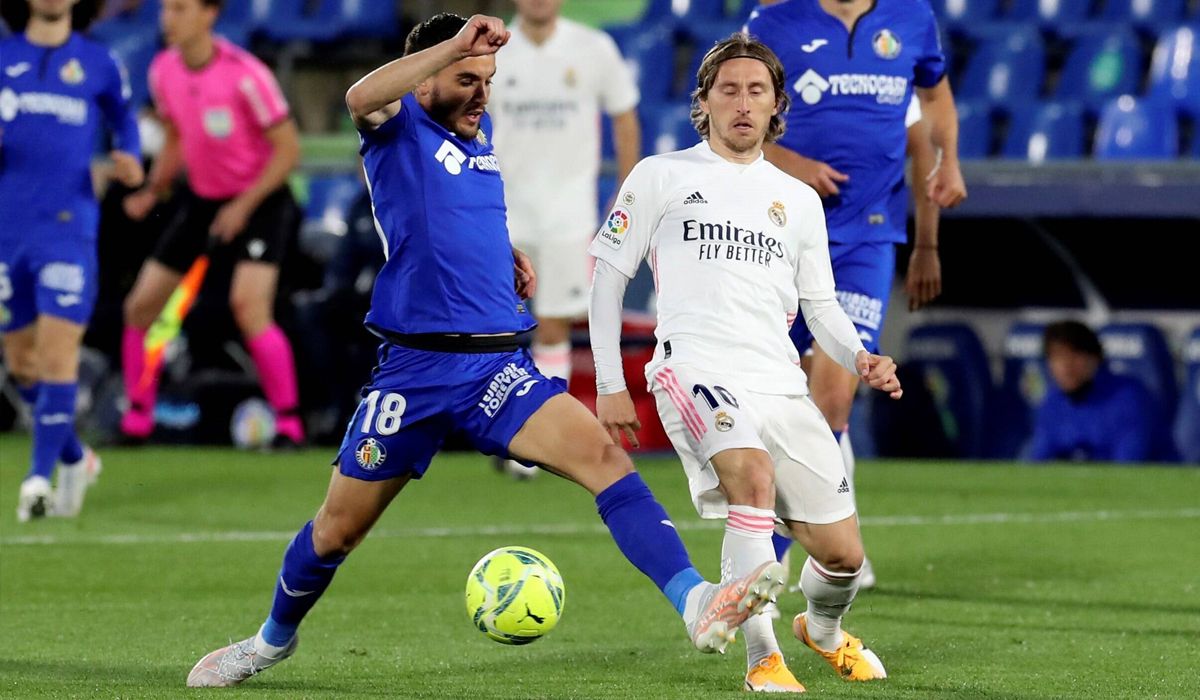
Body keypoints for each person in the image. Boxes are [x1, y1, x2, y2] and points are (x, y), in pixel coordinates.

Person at [185, 14, 786, 688]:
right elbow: (360, 98)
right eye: (466, 79)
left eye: (488, 81)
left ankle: (695, 601)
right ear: (426, 76)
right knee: (336, 532)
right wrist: (451, 48)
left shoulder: (480, 134)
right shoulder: (397, 127)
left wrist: (505, 255)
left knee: (604, 457)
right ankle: (269, 642)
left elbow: (456, 211)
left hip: (496, 366)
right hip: (413, 373)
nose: (481, 94)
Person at [590, 34, 902, 693]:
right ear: (702, 103)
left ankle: (819, 630)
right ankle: (762, 659)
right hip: (694, 367)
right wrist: (612, 384)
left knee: (843, 557)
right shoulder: (660, 174)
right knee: (751, 480)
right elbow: (606, 280)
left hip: (781, 382)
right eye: (727, 90)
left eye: (755, 91)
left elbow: (821, 308)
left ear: (775, 107)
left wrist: (860, 356)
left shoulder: (799, 200)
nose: (742, 103)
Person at [746, 0, 967, 587]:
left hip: (864, 240)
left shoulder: (911, 20)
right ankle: (833, 544)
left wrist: (948, 165)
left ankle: (774, 559)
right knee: (774, 397)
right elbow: (730, 113)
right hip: (778, 232)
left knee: (834, 400)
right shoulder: (773, 24)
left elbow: (936, 103)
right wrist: (788, 159)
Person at [118, 0, 305, 447]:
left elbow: (288, 150)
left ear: (209, 14)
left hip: (261, 200)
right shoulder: (163, 70)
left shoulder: (246, 74)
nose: (168, 18)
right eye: (166, 9)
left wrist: (243, 206)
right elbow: (177, 139)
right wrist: (153, 190)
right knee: (140, 307)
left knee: (249, 307)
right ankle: (137, 419)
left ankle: (289, 425)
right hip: (202, 199)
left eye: (180, 8)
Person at [0, 0, 143, 521]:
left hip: (69, 229)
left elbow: (125, 121)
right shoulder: (3, 56)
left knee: (59, 353)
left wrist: (130, 157)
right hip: (7, 229)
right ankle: (76, 457)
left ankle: (38, 480)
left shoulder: (99, 62)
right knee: (22, 364)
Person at [488, 0, 641, 478]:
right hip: (501, 210)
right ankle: (501, 429)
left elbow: (625, 115)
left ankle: (541, 445)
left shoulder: (593, 48)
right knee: (495, 328)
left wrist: (626, 191)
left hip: (569, 214)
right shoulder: (493, 52)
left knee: (553, 324)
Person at [1028, 321, 1172, 463]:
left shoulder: (1129, 397)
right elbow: (1037, 462)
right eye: (1057, 357)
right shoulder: (1053, 400)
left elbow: (1129, 466)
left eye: (1074, 356)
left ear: (1095, 358)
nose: (1066, 367)